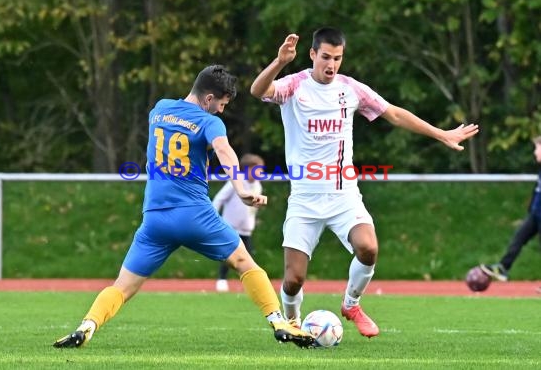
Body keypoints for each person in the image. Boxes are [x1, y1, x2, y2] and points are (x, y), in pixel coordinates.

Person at [53, 65, 315, 349]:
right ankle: (278, 321)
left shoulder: (159, 110)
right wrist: (241, 189)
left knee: (122, 286)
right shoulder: (209, 122)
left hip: (154, 219)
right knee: (244, 263)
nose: (221, 111)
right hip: (193, 214)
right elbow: (225, 152)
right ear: (208, 99)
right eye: (222, 104)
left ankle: (87, 325)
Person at [250, 27, 479, 338]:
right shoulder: (295, 86)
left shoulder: (351, 89)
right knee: (293, 279)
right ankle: (291, 322)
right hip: (305, 198)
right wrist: (279, 62)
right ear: (313, 54)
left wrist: (442, 134)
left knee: (368, 247)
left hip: (344, 195)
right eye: (326, 57)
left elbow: (394, 114)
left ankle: (351, 304)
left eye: (338, 58)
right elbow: (258, 91)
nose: (331, 65)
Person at [481, 136, 541, 282]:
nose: (535, 152)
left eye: (538, 148)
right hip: (535, 214)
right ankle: (502, 267)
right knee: (518, 238)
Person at [214, 153, 265, 292]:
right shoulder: (236, 181)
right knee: (229, 255)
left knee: (248, 257)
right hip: (231, 227)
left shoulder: (257, 186)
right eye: (258, 169)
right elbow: (219, 199)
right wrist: (214, 218)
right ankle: (222, 280)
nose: (261, 172)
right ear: (248, 169)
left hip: (246, 229)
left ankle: (249, 284)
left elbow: (251, 208)